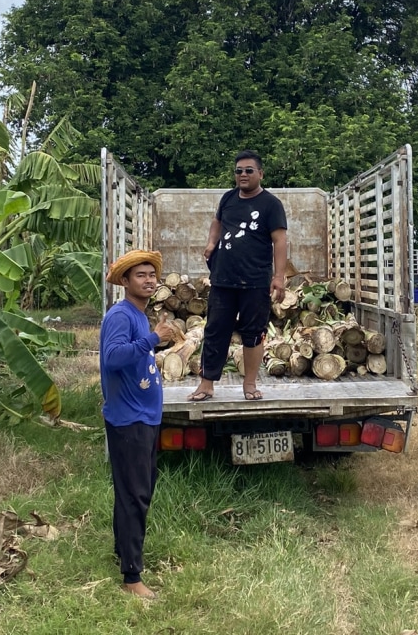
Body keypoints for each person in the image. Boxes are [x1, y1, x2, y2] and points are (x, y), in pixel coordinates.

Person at [100, 249, 175, 599]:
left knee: (132, 492)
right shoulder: (121, 315)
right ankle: (132, 578)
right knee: (135, 496)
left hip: (142, 416)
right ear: (126, 281)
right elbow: (113, 357)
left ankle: (123, 552)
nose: (148, 280)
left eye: (151, 275)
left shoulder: (138, 315)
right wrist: (152, 340)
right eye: (140, 275)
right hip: (129, 419)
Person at [187, 150, 287, 402]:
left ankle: (250, 384)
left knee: (253, 333)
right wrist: (211, 242)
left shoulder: (271, 204)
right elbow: (217, 222)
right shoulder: (228, 198)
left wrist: (279, 277)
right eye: (238, 171)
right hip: (223, 279)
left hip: (255, 282)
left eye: (248, 170)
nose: (243, 175)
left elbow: (280, 240)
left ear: (260, 174)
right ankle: (206, 383)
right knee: (215, 330)